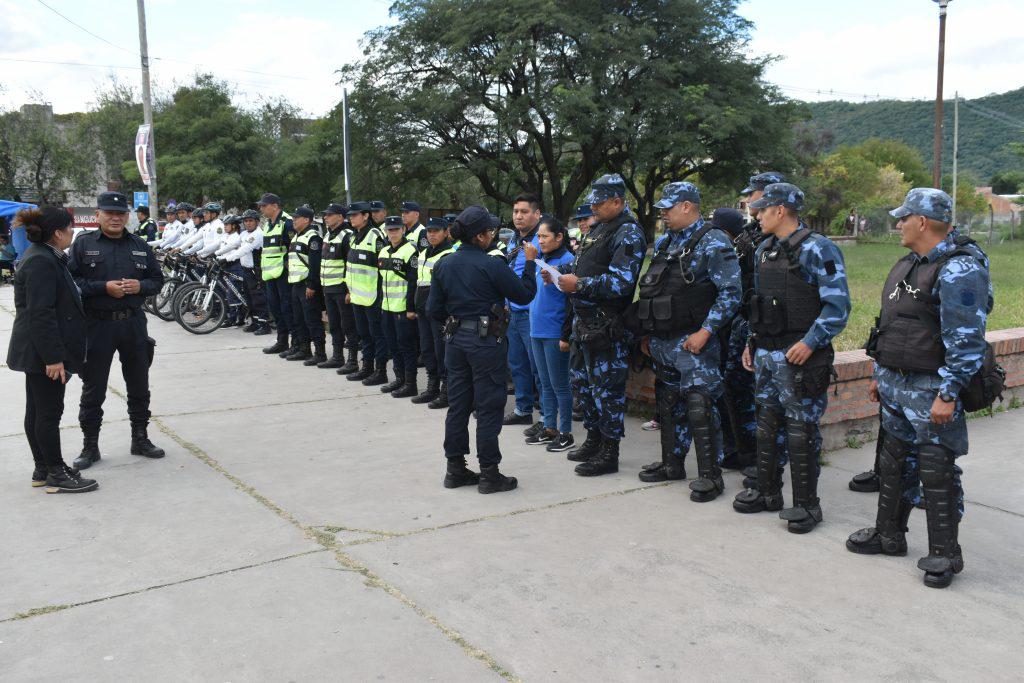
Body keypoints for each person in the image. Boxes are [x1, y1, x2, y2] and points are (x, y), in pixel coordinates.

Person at [847, 188, 991, 589]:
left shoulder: (960, 269)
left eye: (903, 218)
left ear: (922, 222)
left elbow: (967, 341)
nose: (898, 225)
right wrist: (881, 374)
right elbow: (892, 323)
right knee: (893, 465)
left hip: (932, 389)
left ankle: (945, 554)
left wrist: (949, 393)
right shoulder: (909, 263)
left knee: (936, 470)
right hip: (896, 385)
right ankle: (888, 534)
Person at [734, 183, 851, 534]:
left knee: (800, 432)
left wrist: (812, 342)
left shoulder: (819, 249)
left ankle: (807, 506)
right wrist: (752, 343)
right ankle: (768, 492)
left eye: (762, 209)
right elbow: (760, 303)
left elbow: (838, 306)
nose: (756, 214)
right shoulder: (765, 249)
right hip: (767, 354)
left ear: (781, 210)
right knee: (767, 426)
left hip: (801, 357)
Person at [634, 183, 741, 502]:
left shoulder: (714, 241)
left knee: (700, 407)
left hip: (696, 342)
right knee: (668, 405)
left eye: (669, 207)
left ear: (688, 206)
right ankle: (672, 465)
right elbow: (654, 289)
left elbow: (731, 293)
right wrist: (647, 334)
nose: (663, 213)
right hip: (664, 340)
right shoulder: (667, 241)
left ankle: (711, 476)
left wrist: (706, 332)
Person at [428, 205, 539, 493]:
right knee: (489, 407)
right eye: (489, 231)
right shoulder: (492, 265)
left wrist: (456, 322)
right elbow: (524, 294)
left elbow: (433, 309)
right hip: (485, 342)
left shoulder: (443, 264)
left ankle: (455, 469)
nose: (491, 235)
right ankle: (489, 474)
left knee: (458, 405)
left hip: (455, 342)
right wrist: (529, 263)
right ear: (479, 236)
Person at [551, 173, 647, 476]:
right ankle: (593, 440)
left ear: (617, 201)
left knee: (607, 391)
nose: (593, 208)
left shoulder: (628, 232)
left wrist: (578, 284)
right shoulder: (601, 228)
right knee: (584, 385)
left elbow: (621, 282)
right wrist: (558, 272)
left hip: (607, 325)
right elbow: (583, 263)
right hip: (585, 324)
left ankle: (609, 452)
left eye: (599, 202)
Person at [68, 191, 166, 470]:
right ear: (97, 215)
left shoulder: (139, 245)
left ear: (127, 216)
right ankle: (90, 445)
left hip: (132, 323)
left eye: (120, 214)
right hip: (97, 324)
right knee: (93, 387)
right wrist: (103, 288)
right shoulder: (83, 245)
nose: (115, 218)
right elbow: (71, 281)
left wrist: (141, 287)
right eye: (109, 213)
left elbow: (157, 278)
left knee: (139, 383)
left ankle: (140, 438)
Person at [6, 206, 97, 493]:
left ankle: (43, 467)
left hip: (38, 350)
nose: (72, 232)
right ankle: (56, 472)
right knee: (47, 413)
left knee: (37, 411)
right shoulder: (41, 262)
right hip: (43, 353)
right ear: (57, 233)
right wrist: (54, 358)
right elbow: (41, 313)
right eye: (69, 228)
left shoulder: (46, 257)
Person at [734, 172, 786, 487]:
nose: (751, 201)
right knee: (748, 396)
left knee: (784, 413)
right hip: (751, 324)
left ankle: (773, 466)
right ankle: (755, 459)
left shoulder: (801, 242)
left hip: (786, 337)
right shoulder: (753, 235)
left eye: (754, 195)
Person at [526, 217, 576, 452]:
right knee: (545, 383)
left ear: (559, 237)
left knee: (560, 385)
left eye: (545, 236)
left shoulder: (568, 261)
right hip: (537, 329)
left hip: (555, 331)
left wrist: (566, 335)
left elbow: (570, 303)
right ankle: (549, 427)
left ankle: (566, 432)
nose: (540, 240)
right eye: (539, 236)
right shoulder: (541, 261)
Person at [344, 201, 390, 385]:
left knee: (376, 336)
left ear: (365, 216)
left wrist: (380, 296)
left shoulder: (375, 236)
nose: (351, 218)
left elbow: (382, 269)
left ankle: (380, 372)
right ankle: (367, 368)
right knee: (364, 335)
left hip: (372, 296)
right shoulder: (354, 236)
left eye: (354, 215)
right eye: (350, 215)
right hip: (357, 296)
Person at [412, 217, 456, 406]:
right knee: (427, 349)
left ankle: (446, 392)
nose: (431, 235)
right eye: (429, 231)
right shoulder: (423, 253)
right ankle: (432, 387)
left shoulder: (449, 255)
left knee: (442, 352)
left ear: (446, 232)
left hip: (440, 313)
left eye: (436, 231)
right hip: (423, 310)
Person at [378, 215, 420, 397]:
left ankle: (411, 384)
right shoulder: (384, 251)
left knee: (406, 346)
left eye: (396, 229)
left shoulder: (410, 251)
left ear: (403, 230)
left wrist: (411, 308)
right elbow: (381, 281)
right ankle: (399, 379)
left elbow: (413, 282)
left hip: (403, 308)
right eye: (390, 230)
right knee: (392, 345)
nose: (393, 233)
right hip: (387, 307)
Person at [317, 203, 359, 372]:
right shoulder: (328, 235)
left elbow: (350, 265)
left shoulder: (347, 235)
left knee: (348, 325)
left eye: (330, 214)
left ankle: (353, 360)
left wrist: (349, 289)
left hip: (341, 288)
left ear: (341, 217)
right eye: (325, 214)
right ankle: (337, 356)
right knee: (334, 324)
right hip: (328, 287)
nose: (326, 217)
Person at [256, 193, 297, 357]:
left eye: (264, 205)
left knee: (287, 308)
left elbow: (293, 247)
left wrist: (288, 267)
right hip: (269, 274)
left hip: (283, 273)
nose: (261, 208)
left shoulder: (287, 222)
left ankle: (296, 343)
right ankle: (281, 341)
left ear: (275, 206)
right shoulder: (267, 224)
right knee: (276, 308)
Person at [284, 206, 325, 364]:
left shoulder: (313, 238)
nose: (293, 220)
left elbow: (315, 265)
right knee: (299, 319)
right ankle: (304, 349)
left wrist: (312, 286)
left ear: (306, 220)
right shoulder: (296, 236)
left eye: (297, 217)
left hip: (307, 286)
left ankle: (320, 353)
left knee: (312, 320)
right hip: (296, 285)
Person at [225, 208, 270, 335]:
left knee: (258, 298)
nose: (248, 223)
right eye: (245, 221)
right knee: (249, 298)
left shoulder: (258, 234)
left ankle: (264, 324)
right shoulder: (244, 234)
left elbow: (245, 249)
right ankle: (255, 322)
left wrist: (227, 259)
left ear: (257, 222)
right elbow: (233, 245)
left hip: (255, 271)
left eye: (251, 221)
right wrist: (219, 255)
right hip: (245, 270)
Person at [213, 214, 247, 327]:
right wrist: (206, 254)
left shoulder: (237, 236)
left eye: (227, 224)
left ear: (234, 225)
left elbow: (231, 248)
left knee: (233, 293)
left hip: (235, 266)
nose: (225, 226)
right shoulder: (225, 236)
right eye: (224, 224)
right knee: (227, 292)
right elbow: (218, 247)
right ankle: (230, 316)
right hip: (225, 265)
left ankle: (235, 318)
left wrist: (219, 256)